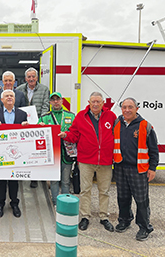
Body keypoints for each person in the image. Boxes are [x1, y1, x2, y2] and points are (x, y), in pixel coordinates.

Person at [60, 91, 116, 232]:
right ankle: (85, 216)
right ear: (89, 102)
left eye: (98, 101)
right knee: (85, 190)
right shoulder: (80, 117)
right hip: (86, 160)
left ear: (103, 103)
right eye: (93, 101)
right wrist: (65, 135)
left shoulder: (111, 116)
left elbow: (118, 135)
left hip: (105, 160)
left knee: (104, 191)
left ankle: (104, 217)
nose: (95, 104)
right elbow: (74, 134)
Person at [113, 97, 159, 241]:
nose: (127, 110)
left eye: (130, 107)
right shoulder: (117, 123)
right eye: (124, 107)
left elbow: (154, 150)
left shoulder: (145, 126)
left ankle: (144, 227)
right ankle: (125, 220)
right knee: (123, 198)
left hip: (138, 170)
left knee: (141, 200)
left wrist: (152, 168)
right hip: (120, 167)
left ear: (137, 109)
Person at [0, 90, 29, 218]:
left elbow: (27, 135)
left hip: (16, 154)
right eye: (7, 96)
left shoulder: (22, 114)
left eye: (12, 96)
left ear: (15, 99)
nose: (10, 98)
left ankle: (14, 203)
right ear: (2, 99)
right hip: (1, 154)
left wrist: (25, 126)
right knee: (1, 181)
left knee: (14, 180)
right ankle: (0, 203)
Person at [38, 92, 75, 205]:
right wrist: (40, 127)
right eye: (53, 100)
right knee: (54, 180)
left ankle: (64, 202)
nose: (55, 102)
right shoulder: (44, 118)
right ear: (50, 102)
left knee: (66, 181)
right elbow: (37, 135)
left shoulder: (71, 116)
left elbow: (76, 132)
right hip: (52, 155)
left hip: (66, 154)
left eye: (57, 99)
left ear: (62, 101)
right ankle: (55, 202)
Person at [17, 67, 50, 188]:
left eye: (33, 76)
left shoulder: (44, 89)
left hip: (38, 124)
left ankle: (34, 177)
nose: (31, 79)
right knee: (22, 150)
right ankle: (21, 174)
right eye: (29, 77)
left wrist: (41, 120)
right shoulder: (19, 89)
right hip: (23, 124)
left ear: (37, 77)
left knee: (35, 152)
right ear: (25, 78)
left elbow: (46, 106)